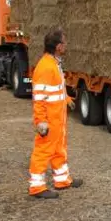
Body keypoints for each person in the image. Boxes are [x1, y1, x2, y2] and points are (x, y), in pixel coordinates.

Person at [27, 27, 82, 199]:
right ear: (58, 46)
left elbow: (55, 90)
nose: (66, 46)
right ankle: (37, 187)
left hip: (58, 119)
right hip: (49, 120)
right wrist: (41, 122)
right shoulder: (46, 67)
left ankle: (62, 180)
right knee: (43, 151)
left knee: (59, 150)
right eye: (64, 43)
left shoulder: (54, 64)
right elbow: (40, 97)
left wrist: (66, 99)